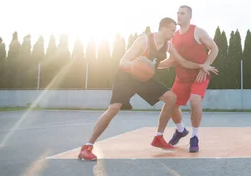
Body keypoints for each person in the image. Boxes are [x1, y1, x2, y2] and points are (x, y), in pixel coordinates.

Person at [77, 17, 217, 161]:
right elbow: (123, 61)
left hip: (144, 79)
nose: (173, 34)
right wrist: (135, 66)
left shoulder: (168, 46)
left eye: (174, 31)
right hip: (126, 77)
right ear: (162, 28)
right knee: (114, 108)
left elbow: (182, 62)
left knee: (171, 97)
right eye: (171, 30)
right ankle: (87, 147)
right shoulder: (143, 40)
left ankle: (158, 137)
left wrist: (201, 66)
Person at [164, 5, 219, 153]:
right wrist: (154, 65)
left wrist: (205, 66)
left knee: (195, 101)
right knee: (171, 104)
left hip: (199, 76)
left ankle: (194, 137)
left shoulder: (198, 31)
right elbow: (172, 60)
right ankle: (181, 130)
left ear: (189, 16)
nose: (178, 16)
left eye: (182, 13)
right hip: (181, 78)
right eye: (177, 13)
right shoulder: (174, 36)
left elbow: (214, 48)